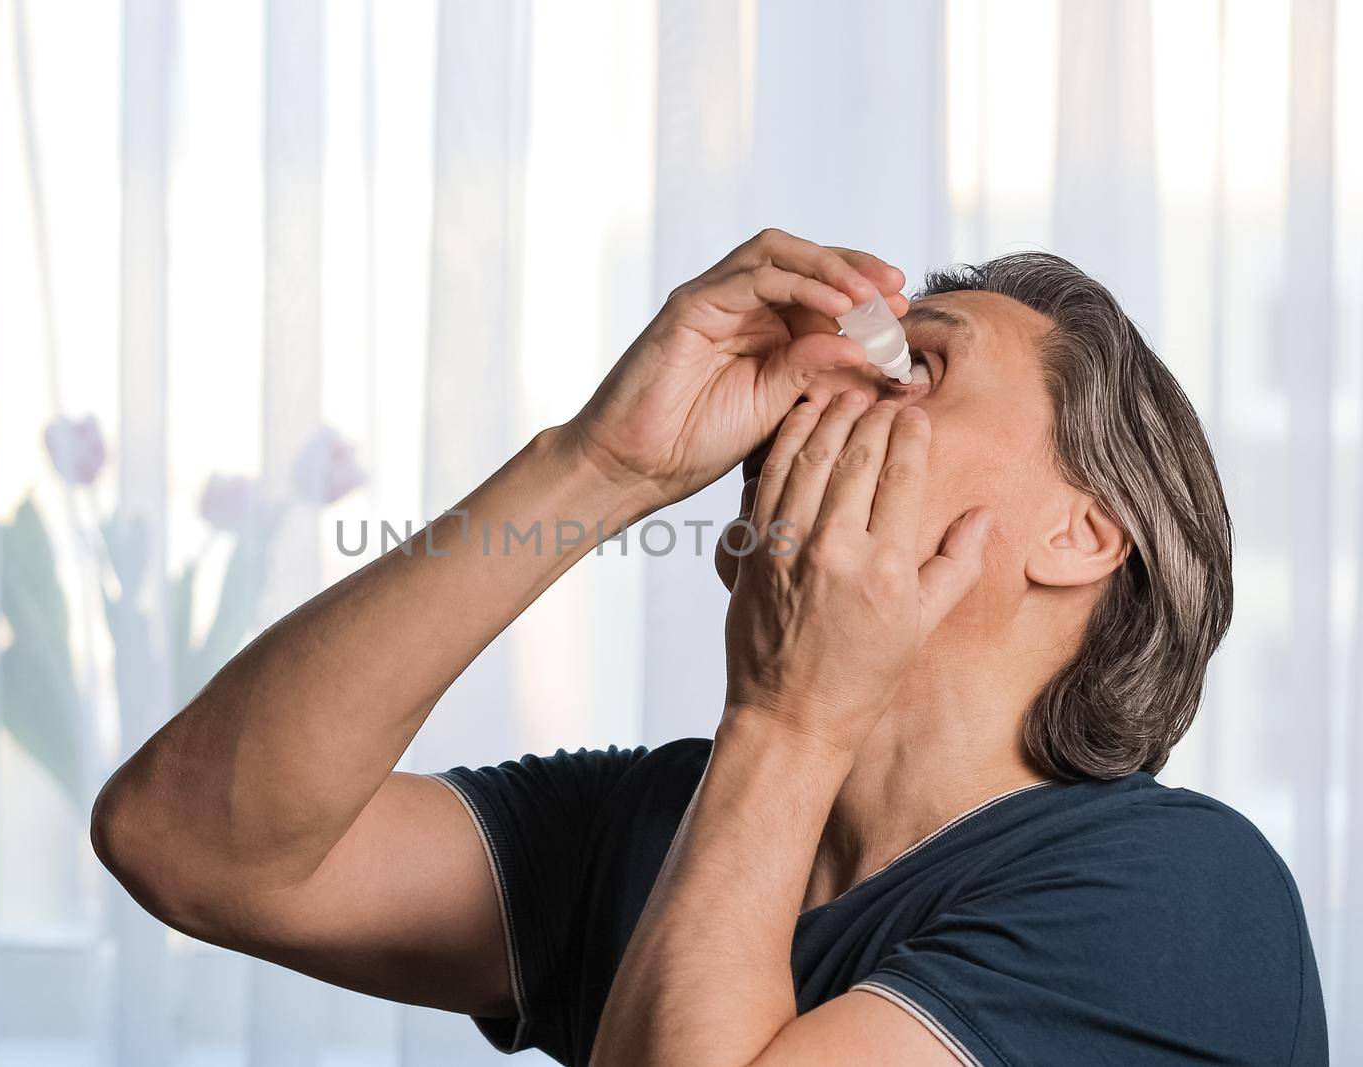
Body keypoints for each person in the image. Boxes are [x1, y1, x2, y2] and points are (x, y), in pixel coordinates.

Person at [90, 229, 1327, 1065]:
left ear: (1081, 532)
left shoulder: (1182, 895)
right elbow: (191, 841)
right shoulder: (655, 822)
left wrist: (788, 718)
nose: (821, 389)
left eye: (918, 366)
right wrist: (600, 461)